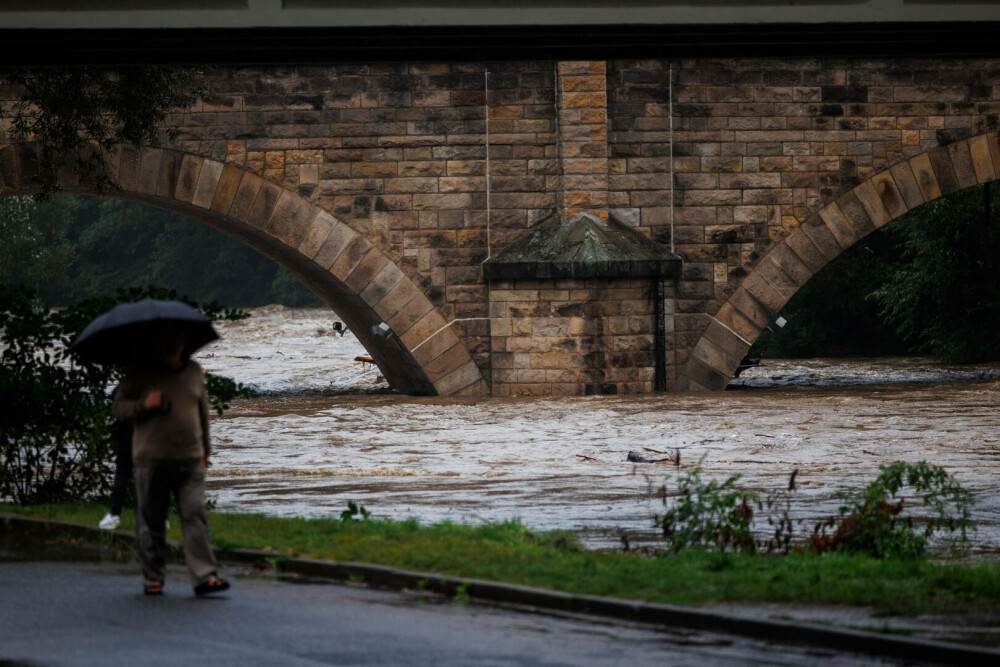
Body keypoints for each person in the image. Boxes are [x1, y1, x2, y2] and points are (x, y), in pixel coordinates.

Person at [112, 325, 229, 597]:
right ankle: (153, 577)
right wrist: (144, 404)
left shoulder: (194, 372)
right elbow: (118, 407)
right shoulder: (140, 373)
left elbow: (202, 414)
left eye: (177, 338)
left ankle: (204, 576)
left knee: (195, 515)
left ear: (184, 343)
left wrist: (206, 450)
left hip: (190, 459)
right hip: (152, 460)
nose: (173, 343)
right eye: (167, 338)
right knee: (151, 521)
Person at [98, 397, 133, 531]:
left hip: (128, 435)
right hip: (146, 437)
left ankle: (114, 514)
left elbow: (115, 396)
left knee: (122, 475)